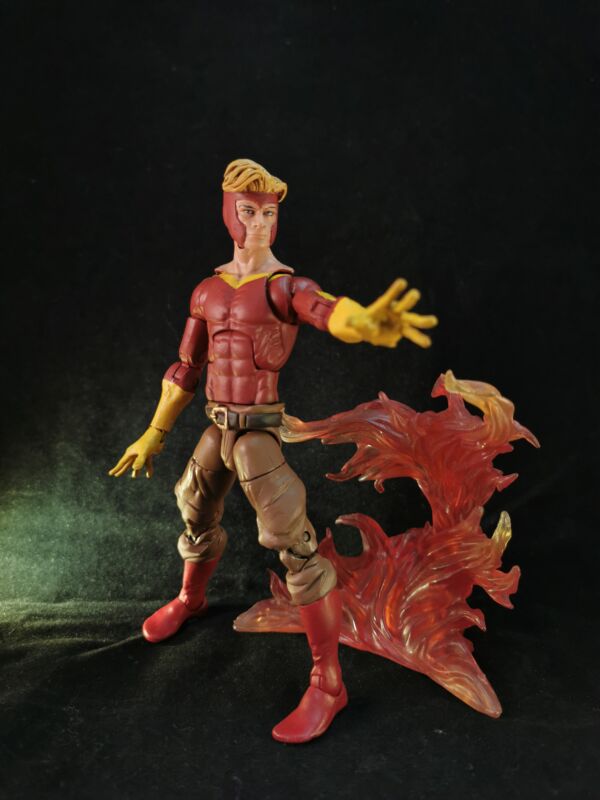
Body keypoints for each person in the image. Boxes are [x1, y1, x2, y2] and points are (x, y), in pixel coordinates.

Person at [109, 158, 437, 743]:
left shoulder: (283, 287)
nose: (260, 223)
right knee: (194, 508)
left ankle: (328, 683)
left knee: (297, 548)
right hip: (216, 427)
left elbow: (322, 307)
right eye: (249, 211)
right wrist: (153, 433)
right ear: (228, 214)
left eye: (269, 213)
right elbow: (185, 368)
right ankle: (190, 597)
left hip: (258, 435)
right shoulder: (207, 290)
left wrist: (362, 321)